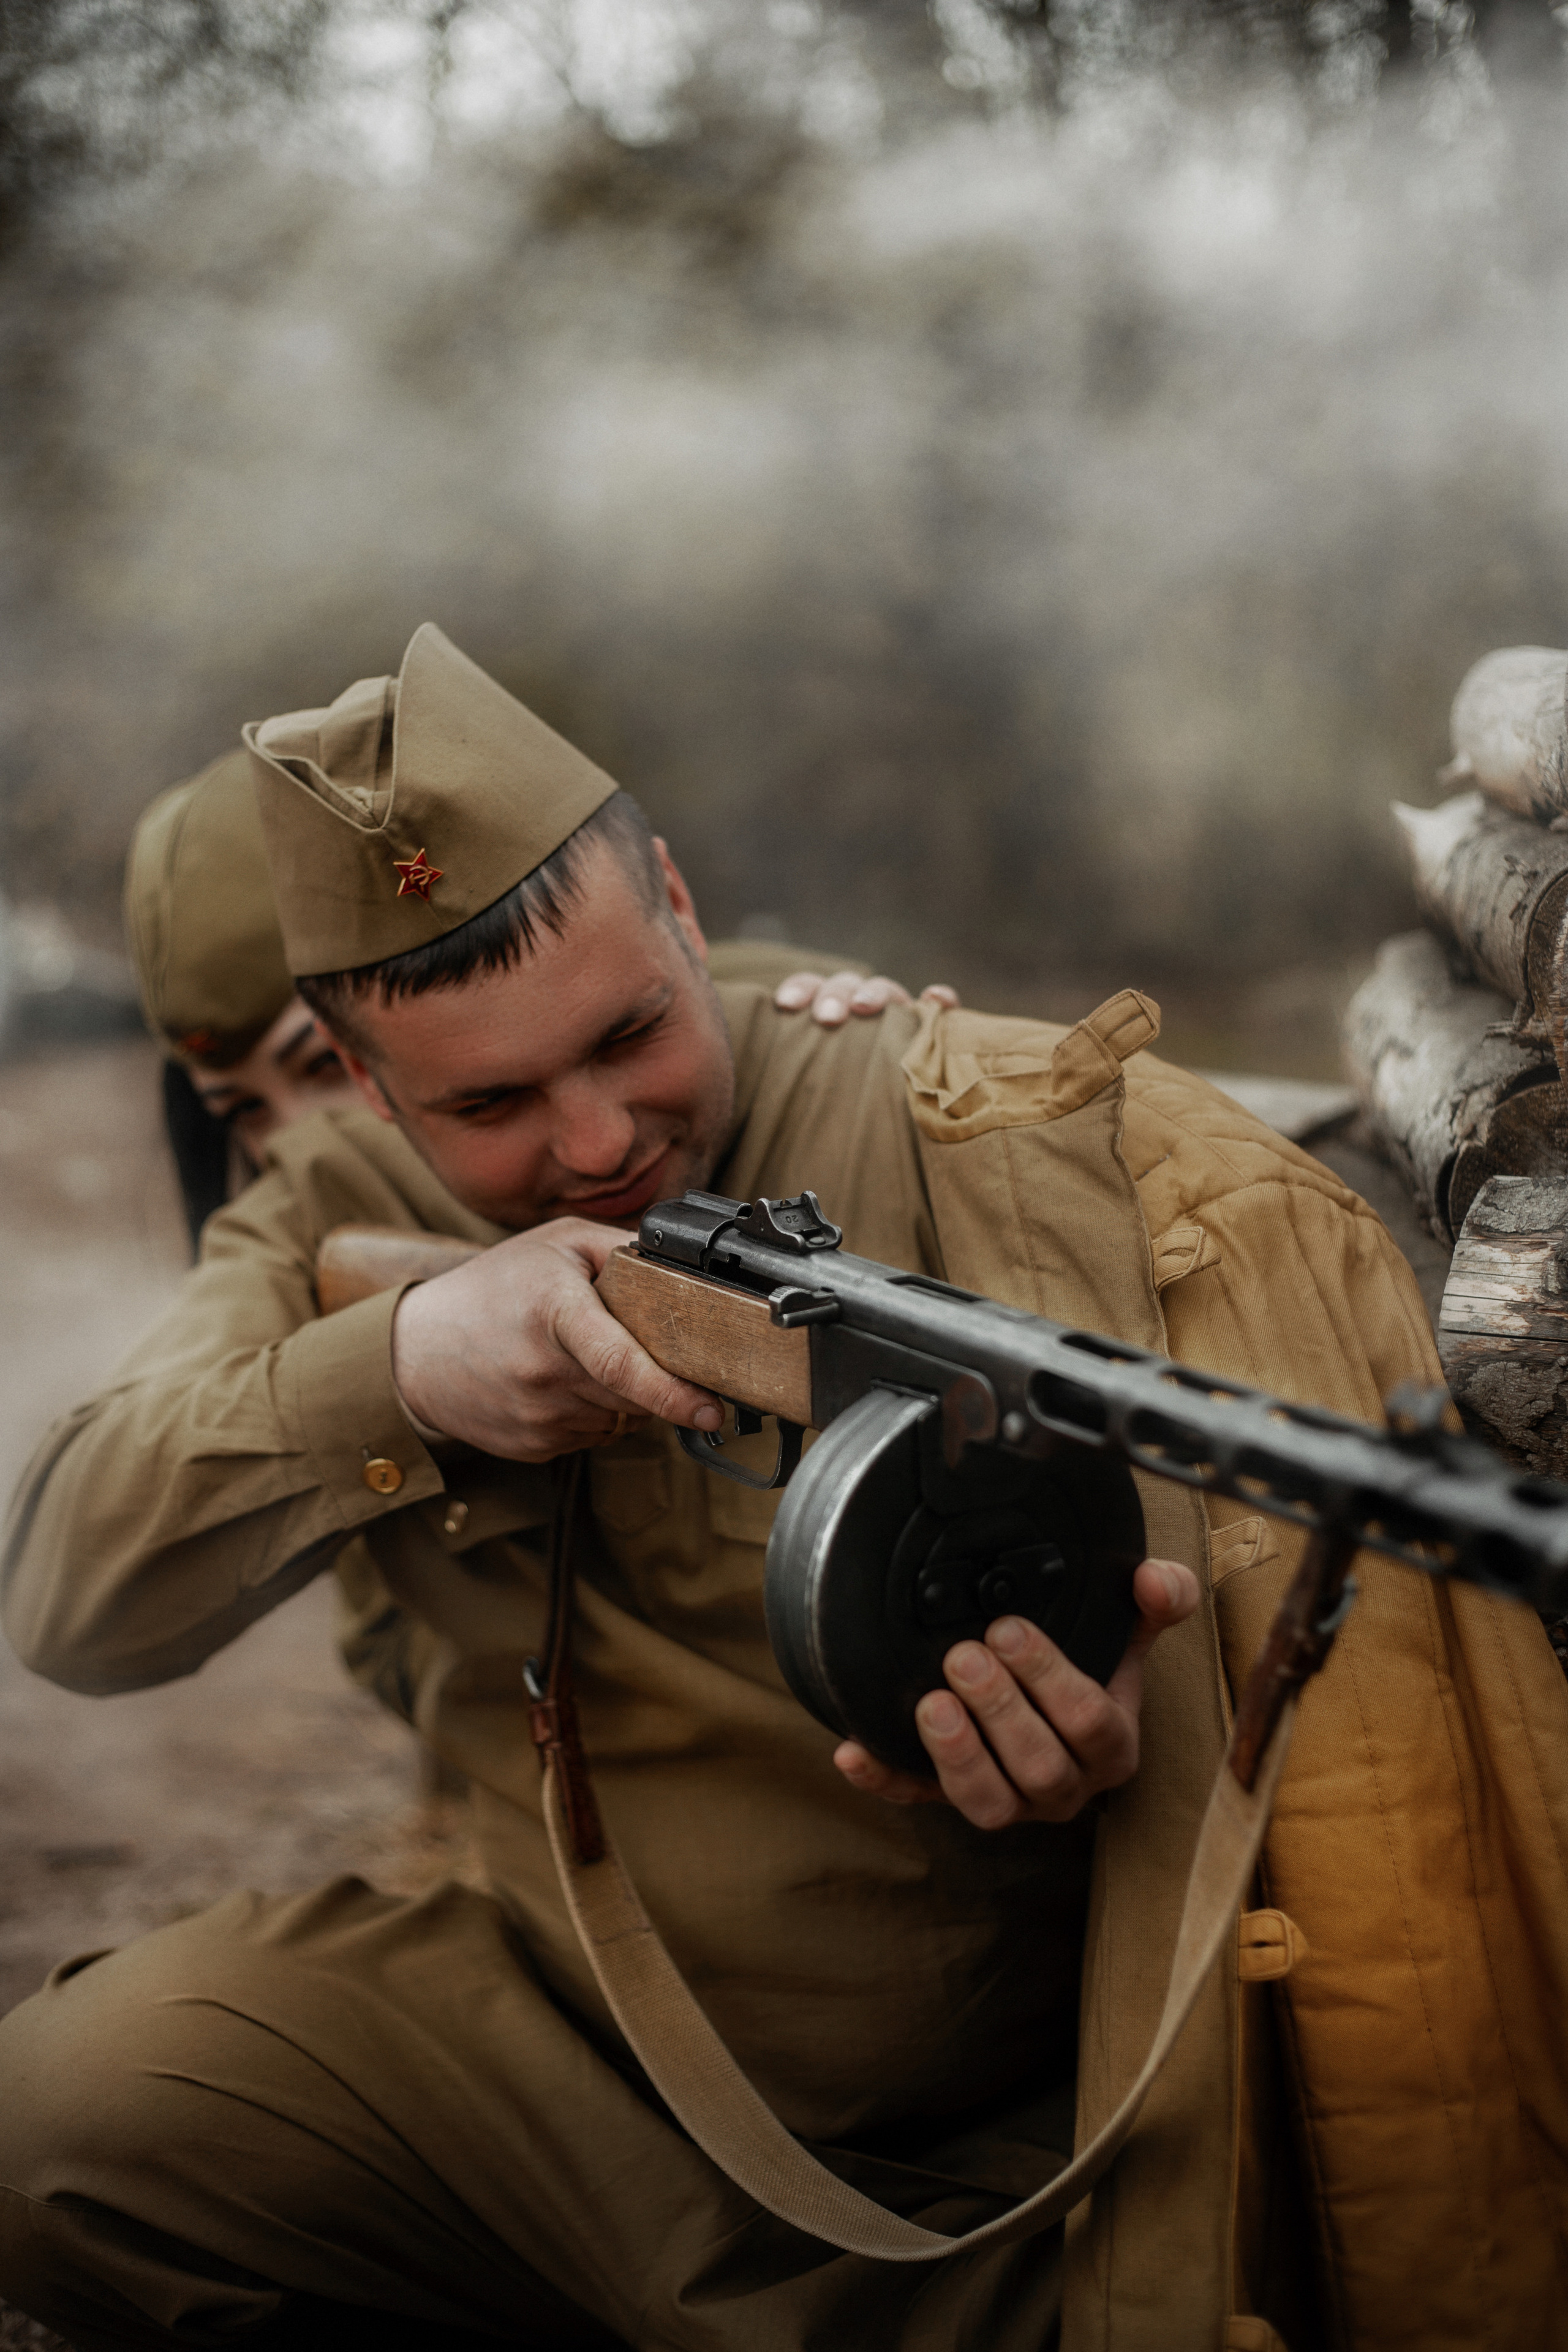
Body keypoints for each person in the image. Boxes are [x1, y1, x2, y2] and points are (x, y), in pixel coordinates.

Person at [2, 625, 1564, 2352]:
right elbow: (70, 1587)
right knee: (67, 2120)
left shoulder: (983, 1144)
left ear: (679, 903)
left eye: (632, 1033)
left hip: (986, 2166)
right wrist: (410, 1369)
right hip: (546, 2062)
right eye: (496, 1100)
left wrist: (1124, 1759)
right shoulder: (324, 1209)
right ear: (364, 1086)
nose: (596, 1144)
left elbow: (1302, 1763)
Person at [124, 747, 955, 1249]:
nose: (299, 1144)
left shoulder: (786, 1019)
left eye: (315, 1071)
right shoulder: (283, 1239)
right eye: (244, 1112)